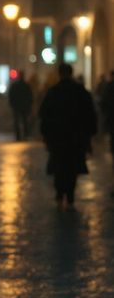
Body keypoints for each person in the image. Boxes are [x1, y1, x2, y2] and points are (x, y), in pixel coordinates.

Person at [38, 62, 98, 209]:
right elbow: (90, 115)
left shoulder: (53, 92)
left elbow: (44, 115)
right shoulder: (80, 91)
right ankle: (70, 196)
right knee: (72, 167)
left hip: (57, 137)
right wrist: (89, 136)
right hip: (75, 137)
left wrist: (46, 135)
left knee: (59, 166)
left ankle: (59, 195)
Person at [8, 71, 33, 140]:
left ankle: (18, 136)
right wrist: (29, 105)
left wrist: (12, 104)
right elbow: (30, 96)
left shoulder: (15, 85)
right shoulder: (26, 85)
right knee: (25, 121)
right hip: (24, 106)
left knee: (17, 121)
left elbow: (11, 96)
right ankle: (25, 136)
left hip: (16, 106)